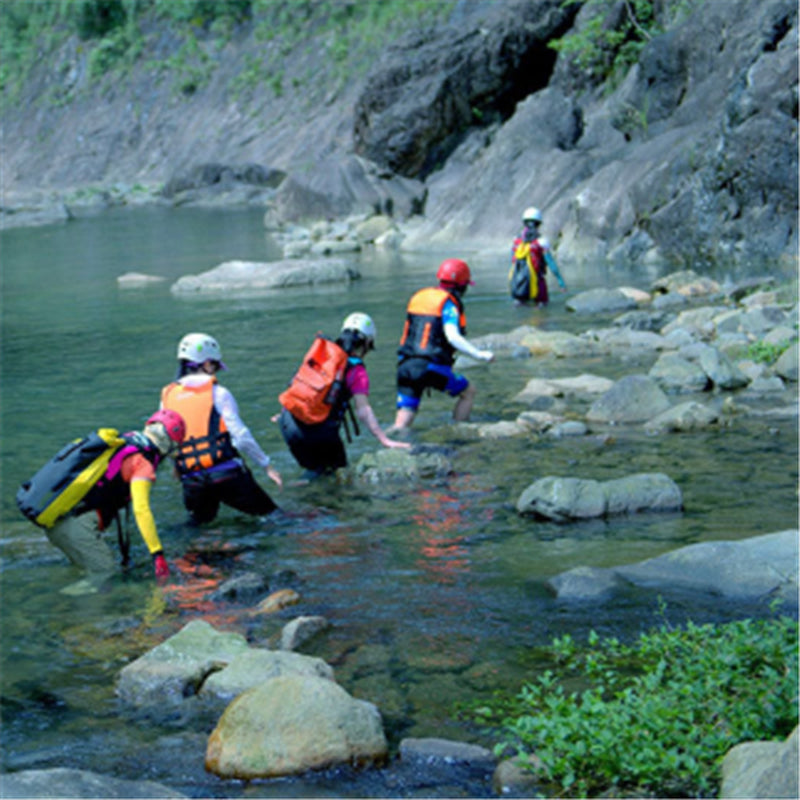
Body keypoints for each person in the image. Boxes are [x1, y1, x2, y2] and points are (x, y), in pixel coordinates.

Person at [43, 409, 187, 582]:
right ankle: (65, 603)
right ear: (168, 443)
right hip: (76, 529)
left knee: (84, 574)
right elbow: (141, 510)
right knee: (104, 575)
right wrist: (157, 554)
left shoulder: (126, 440)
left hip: (57, 519)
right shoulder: (143, 463)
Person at [161, 332, 282, 524]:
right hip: (227, 476)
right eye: (215, 366)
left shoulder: (167, 396)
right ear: (207, 364)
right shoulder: (219, 393)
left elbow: (166, 439)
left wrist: (176, 467)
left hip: (193, 481)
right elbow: (241, 436)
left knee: (199, 529)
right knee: (275, 518)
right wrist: (267, 465)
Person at [278, 312, 410, 478]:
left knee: (314, 473)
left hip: (288, 422)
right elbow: (363, 411)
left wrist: (285, 413)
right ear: (367, 343)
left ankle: (296, 497)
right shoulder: (357, 370)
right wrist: (384, 439)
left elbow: (300, 384)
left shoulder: (322, 353)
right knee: (340, 475)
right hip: (319, 433)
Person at [393, 258, 494, 430]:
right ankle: (459, 431)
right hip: (430, 368)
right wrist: (479, 355)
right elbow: (453, 337)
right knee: (468, 392)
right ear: (462, 286)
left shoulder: (419, 298)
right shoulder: (448, 305)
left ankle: (390, 444)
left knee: (403, 421)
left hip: (405, 367)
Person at [509, 206, 567, 306]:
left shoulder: (516, 242)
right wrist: (561, 282)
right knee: (542, 308)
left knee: (519, 306)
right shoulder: (542, 242)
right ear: (539, 224)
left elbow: (513, 262)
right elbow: (551, 264)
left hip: (519, 283)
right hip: (538, 283)